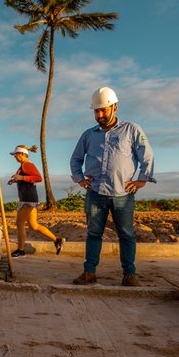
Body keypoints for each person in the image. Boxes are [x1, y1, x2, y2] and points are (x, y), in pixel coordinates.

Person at [69, 87, 156, 287]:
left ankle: (129, 275)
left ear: (114, 108)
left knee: (126, 234)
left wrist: (142, 179)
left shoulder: (131, 130)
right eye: (96, 111)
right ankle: (89, 273)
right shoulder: (88, 135)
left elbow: (147, 155)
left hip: (123, 195)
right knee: (93, 233)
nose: (99, 115)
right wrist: (80, 179)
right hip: (95, 193)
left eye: (103, 110)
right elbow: (75, 159)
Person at [7, 145, 64, 257]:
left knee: (19, 224)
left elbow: (38, 178)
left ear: (22, 154)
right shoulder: (23, 166)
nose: (14, 157)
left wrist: (21, 178)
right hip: (29, 198)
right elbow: (25, 179)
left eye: (16, 154)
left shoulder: (27, 165)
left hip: (28, 199)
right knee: (34, 225)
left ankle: (21, 250)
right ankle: (57, 240)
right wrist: (15, 180)